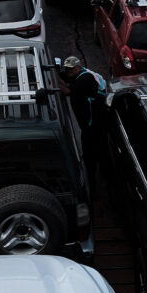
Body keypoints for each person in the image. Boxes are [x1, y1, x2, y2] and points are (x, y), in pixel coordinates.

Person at [59, 55, 106, 193]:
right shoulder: (79, 73)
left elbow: (67, 91)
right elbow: (65, 77)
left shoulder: (85, 79)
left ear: (79, 67)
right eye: (67, 70)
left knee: (91, 146)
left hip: (92, 122)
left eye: (71, 70)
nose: (69, 72)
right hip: (90, 120)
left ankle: (93, 178)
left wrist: (55, 80)